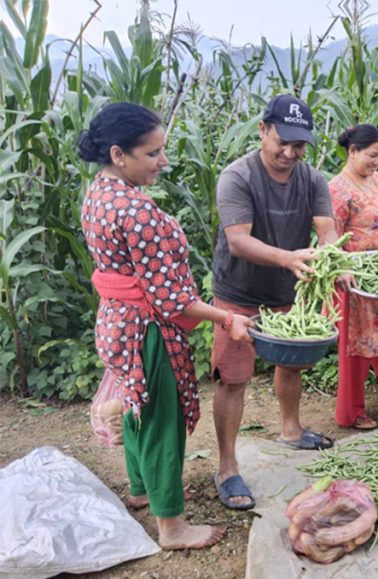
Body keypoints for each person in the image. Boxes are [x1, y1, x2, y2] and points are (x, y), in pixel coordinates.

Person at [78, 102, 255, 550]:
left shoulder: (99, 192)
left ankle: (141, 490)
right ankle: (171, 526)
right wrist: (227, 318)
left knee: (138, 409)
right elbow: (172, 299)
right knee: (162, 422)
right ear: (119, 154)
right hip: (147, 331)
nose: (164, 161)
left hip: (117, 321)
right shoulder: (137, 212)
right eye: (153, 153)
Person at [211, 94, 338, 510]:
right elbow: (238, 240)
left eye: (298, 146)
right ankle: (228, 467)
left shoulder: (313, 180)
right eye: (280, 141)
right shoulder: (238, 176)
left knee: (291, 362)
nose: (288, 153)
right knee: (234, 377)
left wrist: (332, 259)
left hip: (289, 290)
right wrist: (288, 258)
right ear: (263, 130)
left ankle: (290, 429)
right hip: (239, 293)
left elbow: (326, 230)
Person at [329, 124, 378, 430]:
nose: (377, 162)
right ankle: (350, 412)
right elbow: (329, 240)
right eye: (372, 155)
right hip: (358, 282)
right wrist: (343, 266)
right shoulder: (337, 190)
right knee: (358, 347)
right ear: (352, 151)